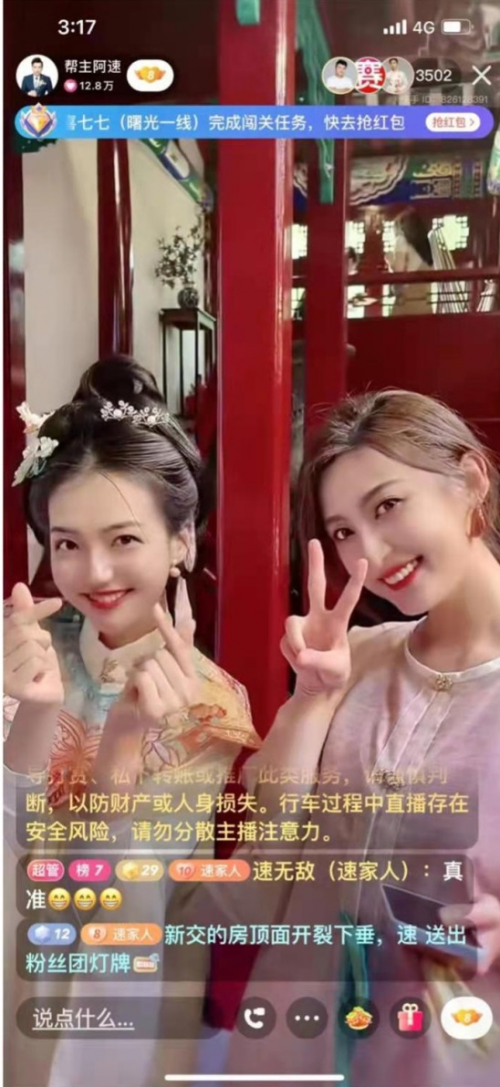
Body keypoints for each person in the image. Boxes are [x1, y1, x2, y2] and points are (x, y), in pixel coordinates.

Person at [215, 388, 500, 1087]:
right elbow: (269, 840)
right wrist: (312, 697)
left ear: (470, 480)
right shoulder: (358, 656)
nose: (368, 553)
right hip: (295, 1043)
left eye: (387, 506)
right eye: (343, 532)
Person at [3, 356, 260, 1087]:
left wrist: (121, 738)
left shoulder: (209, 701)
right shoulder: (21, 654)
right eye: (68, 543)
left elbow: (114, 882)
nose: (94, 573)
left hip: (122, 981)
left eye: (123, 539)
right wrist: (34, 711)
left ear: (182, 541)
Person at [390, 208, 434, 315]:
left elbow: (398, 274)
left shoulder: (401, 240)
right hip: (425, 306)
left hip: (406, 305)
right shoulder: (427, 247)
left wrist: (390, 261)